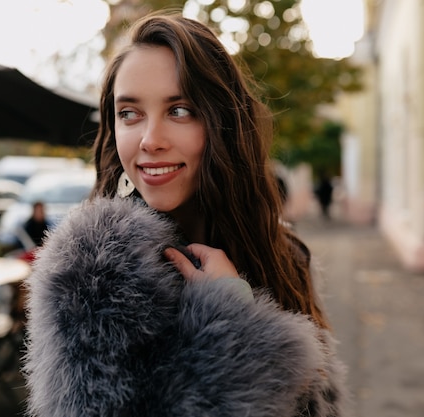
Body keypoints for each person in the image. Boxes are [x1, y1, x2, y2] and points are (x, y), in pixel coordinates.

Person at [24, 12, 348, 417]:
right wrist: (232, 319)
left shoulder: (282, 254)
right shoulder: (90, 276)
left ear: (223, 125)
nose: (151, 140)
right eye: (129, 113)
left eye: (180, 110)